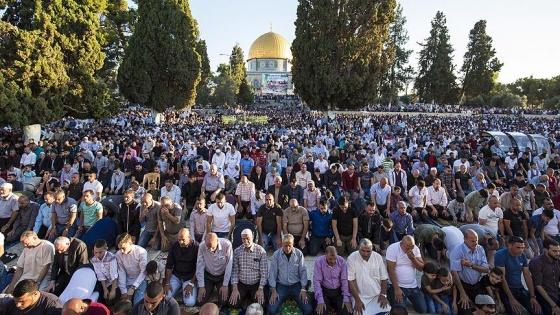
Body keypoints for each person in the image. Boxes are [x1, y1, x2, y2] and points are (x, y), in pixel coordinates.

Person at [495, 236, 542, 315]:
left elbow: (527, 275)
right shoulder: (500, 255)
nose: (521, 250)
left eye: (522, 248)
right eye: (518, 247)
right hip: (506, 290)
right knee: (515, 312)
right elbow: (502, 278)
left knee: (538, 311)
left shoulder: (522, 255)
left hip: (519, 288)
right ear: (510, 245)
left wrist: (532, 296)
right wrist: (511, 298)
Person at [267, 234, 312, 315]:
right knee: (271, 309)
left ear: (293, 244)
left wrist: (303, 289)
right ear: (282, 244)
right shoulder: (276, 255)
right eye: (285, 245)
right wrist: (274, 291)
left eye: (289, 246)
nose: (287, 248)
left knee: (308, 309)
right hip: (281, 285)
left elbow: (303, 271)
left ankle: (306, 286)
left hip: (296, 285)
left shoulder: (299, 254)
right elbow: (272, 273)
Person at [449, 229, 490, 315]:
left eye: (476, 241)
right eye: (472, 241)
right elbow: (454, 273)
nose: (475, 243)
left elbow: (486, 269)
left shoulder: (480, 249)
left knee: (490, 308)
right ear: (465, 239)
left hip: (476, 285)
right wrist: (463, 293)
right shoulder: (458, 250)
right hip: (463, 285)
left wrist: (471, 265)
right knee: (465, 311)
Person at [347, 239, 391, 315]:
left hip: (377, 295)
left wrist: (383, 294)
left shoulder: (378, 257)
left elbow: (384, 278)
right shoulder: (352, 258)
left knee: (387, 312)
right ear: (359, 248)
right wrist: (357, 300)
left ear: (372, 249)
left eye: (368, 251)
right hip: (360, 297)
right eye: (363, 251)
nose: (365, 254)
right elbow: (350, 281)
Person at [386, 235, 427, 313]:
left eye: (412, 247)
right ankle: (390, 292)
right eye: (408, 248)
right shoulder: (393, 248)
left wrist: (412, 258)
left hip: (413, 286)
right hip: (399, 286)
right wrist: (397, 289)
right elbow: (390, 271)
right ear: (402, 244)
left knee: (423, 309)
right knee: (400, 311)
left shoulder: (414, 249)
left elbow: (421, 268)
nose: (410, 250)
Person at [229, 229, 268, 310]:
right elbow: (235, 272)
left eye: (248, 238)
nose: (246, 241)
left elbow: (264, 273)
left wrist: (260, 289)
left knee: (262, 305)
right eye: (243, 239)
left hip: (256, 284)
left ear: (253, 237)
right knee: (233, 303)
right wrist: (235, 289)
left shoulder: (261, 251)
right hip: (242, 284)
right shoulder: (237, 251)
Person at [163, 228, 199, 307]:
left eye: (183, 240)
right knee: (164, 298)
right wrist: (167, 282)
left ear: (189, 237)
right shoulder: (174, 245)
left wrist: (191, 283)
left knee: (190, 302)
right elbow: (169, 265)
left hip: (189, 277)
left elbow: (198, 267)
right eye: (179, 240)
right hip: (176, 275)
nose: (181, 242)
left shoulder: (196, 247)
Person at [196, 233, 233, 307]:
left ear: (217, 241)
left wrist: (225, 285)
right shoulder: (202, 246)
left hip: (222, 276)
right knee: (200, 301)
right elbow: (199, 266)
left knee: (224, 302)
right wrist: (201, 286)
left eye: (212, 247)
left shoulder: (227, 245)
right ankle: (209, 289)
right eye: (208, 247)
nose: (210, 250)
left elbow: (229, 266)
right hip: (208, 276)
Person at [313, 246, 352, 315]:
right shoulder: (318, 262)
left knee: (348, 312)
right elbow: (317, 281)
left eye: (335, 259)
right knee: (319, 313)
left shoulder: (341, 261)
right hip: (324, 291)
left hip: (338, 291)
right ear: (325, 255)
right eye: (330, 259)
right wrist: (320, 300)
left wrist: (346, 297)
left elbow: (344, 280)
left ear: (337, 254)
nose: (333, 261)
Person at [529, 238, 560, 315]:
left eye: (558, 251)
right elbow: (538, 285)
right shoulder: (537, 263)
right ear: (546, 250)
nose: (557, 253)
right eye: (554, 251)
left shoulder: (557, 260)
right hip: (544, 295)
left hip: (556, 292)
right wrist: (553, 305)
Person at [116, 233, 148, 305]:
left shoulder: (141, 251)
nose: (122, 251)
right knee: (125, 305)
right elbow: (121, 272)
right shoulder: (118, 254)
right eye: (120, 249)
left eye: (123, 248)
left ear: (131, 243)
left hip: (140, 280)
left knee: (138, 304)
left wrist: (134, 287)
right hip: (128, 280)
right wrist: (123, 291)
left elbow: (143, 271)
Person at [91, 239, 120, 305]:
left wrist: (113, 290)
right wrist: (105, 289)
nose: (97, 255)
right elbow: (100, 275)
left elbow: (114, 274)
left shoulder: (111, 257)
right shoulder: (94, 259)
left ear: (106, 249)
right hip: (106, 284)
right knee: (107, 300)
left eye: (100, 252)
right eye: (95, 252)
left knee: (116, 300)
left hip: (116, 283)